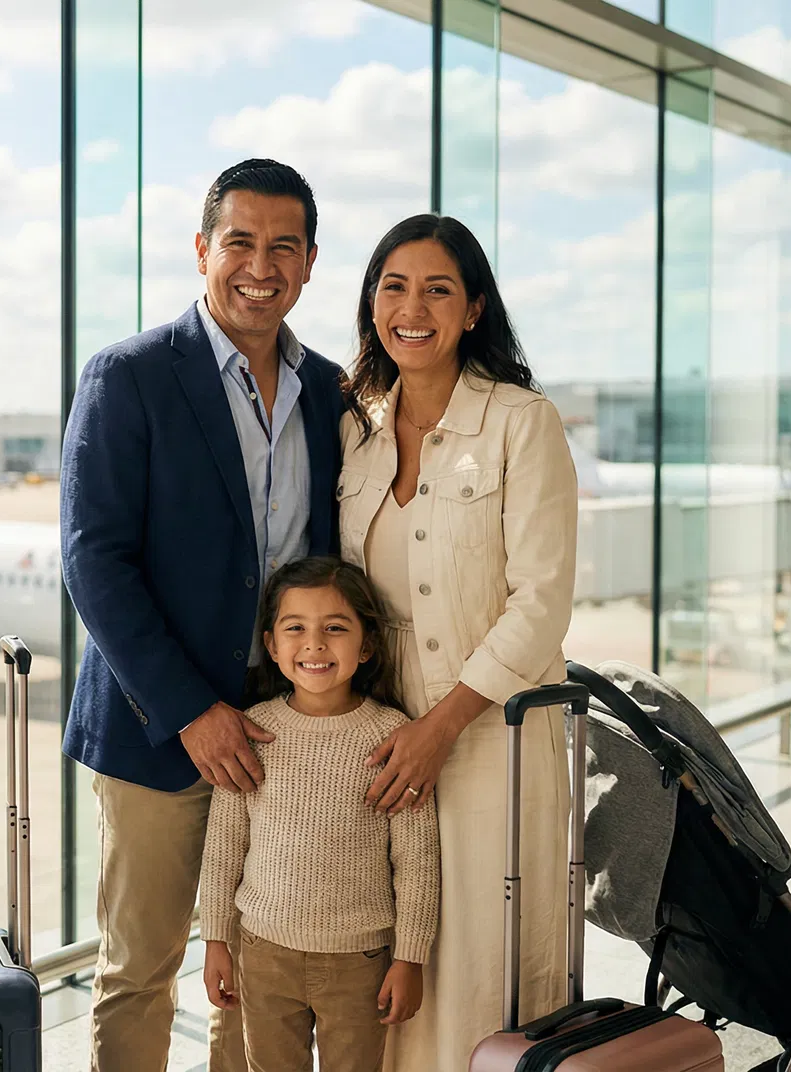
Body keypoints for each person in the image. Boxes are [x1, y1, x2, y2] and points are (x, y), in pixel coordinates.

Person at [60, 158, 347, 1072]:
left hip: (285, 736)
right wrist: (190, 709)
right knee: (142, 967)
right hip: (159, 733)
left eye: (282, 247)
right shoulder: (130, 376)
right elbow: (93, 561)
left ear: (308, 264)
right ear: (201, 251)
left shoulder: (333, 393)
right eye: (240, 242)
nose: (259, 265)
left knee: (259, 969)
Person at [335, 214, 579, 1070]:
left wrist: (442, 728)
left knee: (482, 971)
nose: (413, 307)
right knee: (394, 977)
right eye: (393, 287)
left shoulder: (523, 422)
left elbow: (542, 602)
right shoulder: (353, 427)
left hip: (490, 742)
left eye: (438, 289)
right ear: (371, 304)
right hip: (381, 745)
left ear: (473, 309)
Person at [199, 556, 439, 1072]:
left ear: (367, 644)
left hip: (359, 963)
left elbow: (418, 861)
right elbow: (223, 847)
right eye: (296, 629)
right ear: (271, 645)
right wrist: (216, 939)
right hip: (263, 955)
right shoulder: (252, 733)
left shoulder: (391, 738)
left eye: (335, 628)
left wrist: (410, 958)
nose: (314, 644)